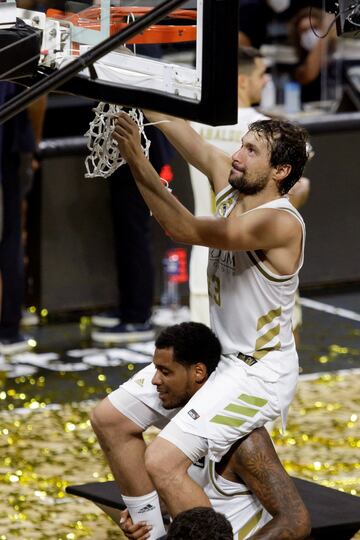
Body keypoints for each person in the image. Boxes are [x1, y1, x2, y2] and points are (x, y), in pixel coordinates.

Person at [92, 110, 309, 533]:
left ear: (280, 171)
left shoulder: (279, 222)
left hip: (257, 371)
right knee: (110, 420)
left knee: (162, 462)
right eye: (241, 144)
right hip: (220, 358)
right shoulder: (231, 185)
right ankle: (152, 532)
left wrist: (137, 158)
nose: (237, 154)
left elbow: (181, 227)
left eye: (251, 150)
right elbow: (181, 132)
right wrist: (131, 87)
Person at [92, 322, 310, 540]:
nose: (154, 380)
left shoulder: (246, 441)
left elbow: (295, 520)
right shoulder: (183, 429)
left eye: (165, 372)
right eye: (156, 369)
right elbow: (197, 499)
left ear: (198, 372)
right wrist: (148, 512)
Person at [189, 46, 310, 344]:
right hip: (260, 259)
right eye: (261, 73)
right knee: (278, 354)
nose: (266, 80)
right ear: (242, 81)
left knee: (205, 365)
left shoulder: (197, 122)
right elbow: (297, 190)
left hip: (206, 255)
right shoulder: (272, 133)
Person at [290, 8, 337, 103]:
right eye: (304, 30)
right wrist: (325, 34)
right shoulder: (297, 63)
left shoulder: (336, 56)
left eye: (314, 27)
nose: (310, 33)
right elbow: (309, 74)